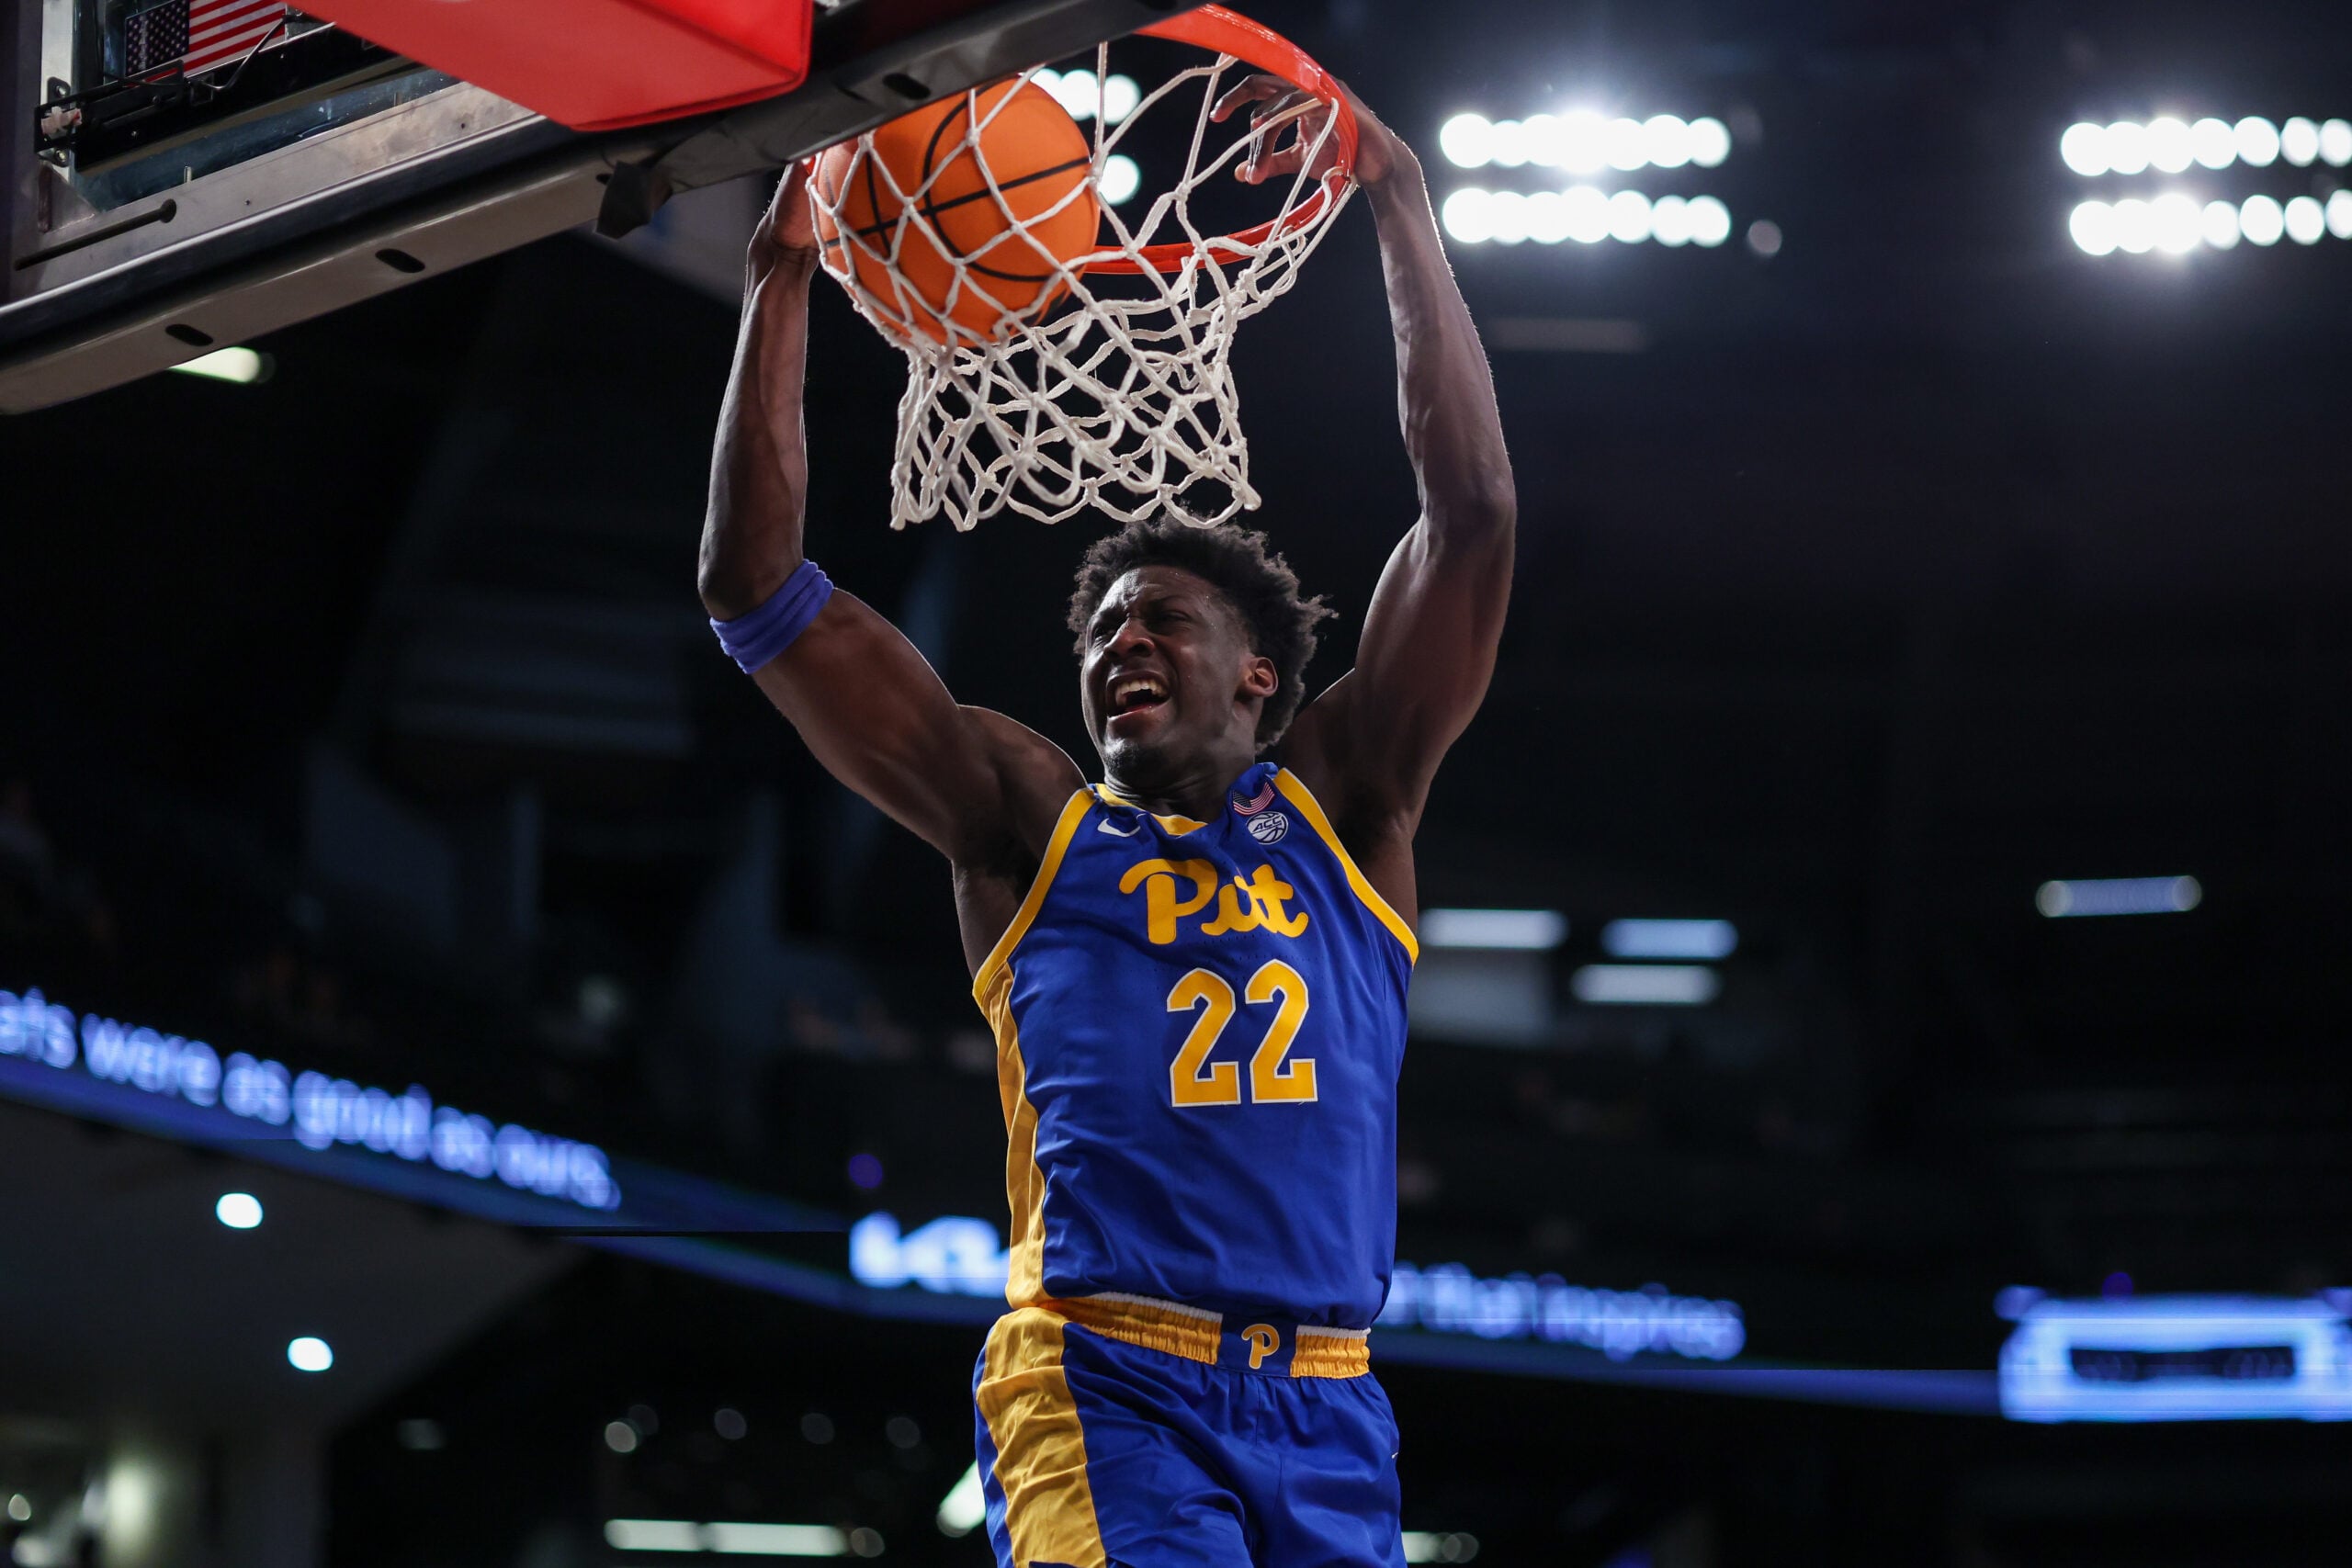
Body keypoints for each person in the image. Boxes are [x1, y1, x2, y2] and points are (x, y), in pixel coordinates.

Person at [698, 69, 1514, 1568]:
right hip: (1104, 1377)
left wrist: (1398, 198)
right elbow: (757, 596)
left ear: (1261, 674)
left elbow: (1470, 520)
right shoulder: (1028, 824)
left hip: (1329, 1407)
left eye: (1159, 621)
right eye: (1100, 634)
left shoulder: (1354, 805)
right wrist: (782, 276)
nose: (1118, 644)